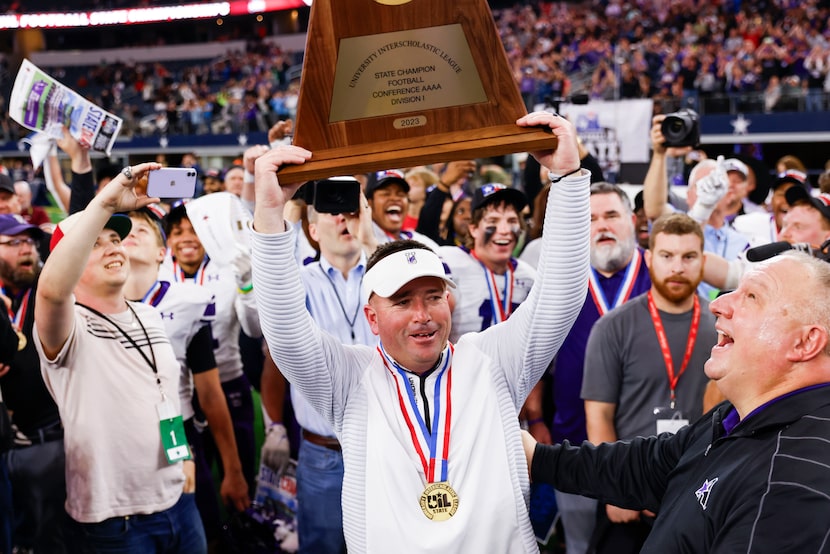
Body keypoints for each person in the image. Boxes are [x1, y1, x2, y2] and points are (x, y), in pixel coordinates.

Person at [250, 111, 590, 552]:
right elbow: (286, 331)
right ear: (372, 318)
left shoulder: (493, 361)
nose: (422, 315)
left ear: (450, 299)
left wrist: (565, 177)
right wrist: (270, 211)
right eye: (402, 300)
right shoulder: (350, 380)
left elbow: (560, 294)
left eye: (432, 296)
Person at [525, 251, 830, 553]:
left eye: (751, 297)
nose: (719, 305)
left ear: (805, 342)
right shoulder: (740, 415)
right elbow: (653, 465)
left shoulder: (791, 489)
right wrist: (536, 458)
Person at [33, 163, 206, 552]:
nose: (113, 246)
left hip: (178, 501)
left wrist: (186, 457)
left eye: (115, 238)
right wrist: (106, 201)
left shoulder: (147, 314)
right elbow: (51, 292)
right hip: (113, 522)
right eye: (95, 242)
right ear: (71, 261)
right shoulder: (66, 323)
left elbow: (162, 394)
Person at [525, 181, 652, 554]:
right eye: (591, 219)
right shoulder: (559, 279)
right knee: (581, 544)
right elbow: (536, 354)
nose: (602, 226)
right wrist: (536, 419)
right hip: (575, 440)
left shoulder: (660, 274)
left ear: (632, 220)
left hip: (650, 444)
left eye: (611, 215)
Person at [581, 213, 717, 553]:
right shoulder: (613, 327)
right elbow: (599, 416)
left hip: (700, 488)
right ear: (649, 258)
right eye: (667, 256)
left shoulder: (724, 327)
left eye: (689, 257)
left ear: (703, 259)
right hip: (629, 487)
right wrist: (615, 489)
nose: (677, 267)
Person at [260, 181, 377, 553]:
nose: (344, 217)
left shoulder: (385, 277)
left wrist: (372, 241)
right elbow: (261, 312)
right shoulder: (298, 281)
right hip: (325, 452)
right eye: (331, 210)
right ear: (311, 229)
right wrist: (288, 210)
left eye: (353, 210)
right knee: (324, 547)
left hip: (387, 445)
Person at [123, 207, 250, 543]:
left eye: (143, 230)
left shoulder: (188, 303)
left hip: (175, 429)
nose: (132, 233)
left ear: (161, 254)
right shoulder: (91, 305)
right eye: (124, 231)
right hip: (119, 439)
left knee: (196, 525)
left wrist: (232, 468)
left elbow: (210, 393)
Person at [160, 205, 261, 494]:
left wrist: (246, 286)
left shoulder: (228, 267)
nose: (186, 238)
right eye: (177, 232)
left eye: (194, 231)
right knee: (186, 481)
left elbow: (254, 330)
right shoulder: (157, 272)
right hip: (176, 394)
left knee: (240, 471)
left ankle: (243, 530)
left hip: (227, 382)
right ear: (166, 242)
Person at [0, 214, 69, 553]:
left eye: (29, 241)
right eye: (13, 243)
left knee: (51, 538)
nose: (26, 250)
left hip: (48, 441)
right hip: (4, 443)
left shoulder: (48, 294)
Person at [438, 183, 534, 341]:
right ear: (473, 229)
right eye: (493, 221)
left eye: (511, 220)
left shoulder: (529, 276)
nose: (504, 230)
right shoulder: (448, 262)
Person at [366, 169, 441, 250]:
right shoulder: (358, 245)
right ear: (369, 202)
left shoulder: (420, 242)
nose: (394, 198)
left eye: (401, 194)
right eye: (386, 194)